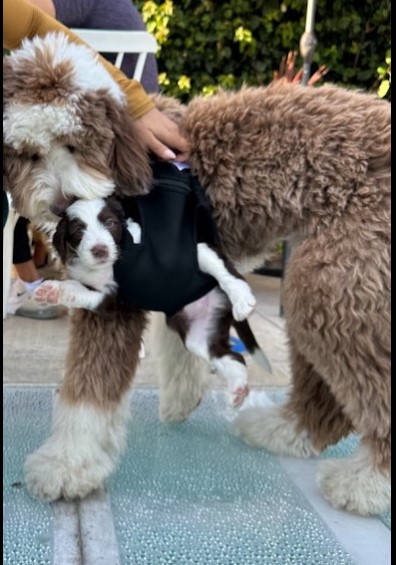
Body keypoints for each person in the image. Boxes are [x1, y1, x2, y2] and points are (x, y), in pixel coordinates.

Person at [4, 0, 189, 317]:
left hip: (100, 110)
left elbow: (34, 23)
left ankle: (38, 282)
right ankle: (30, 281)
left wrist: (135, 104)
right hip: (70, 109)